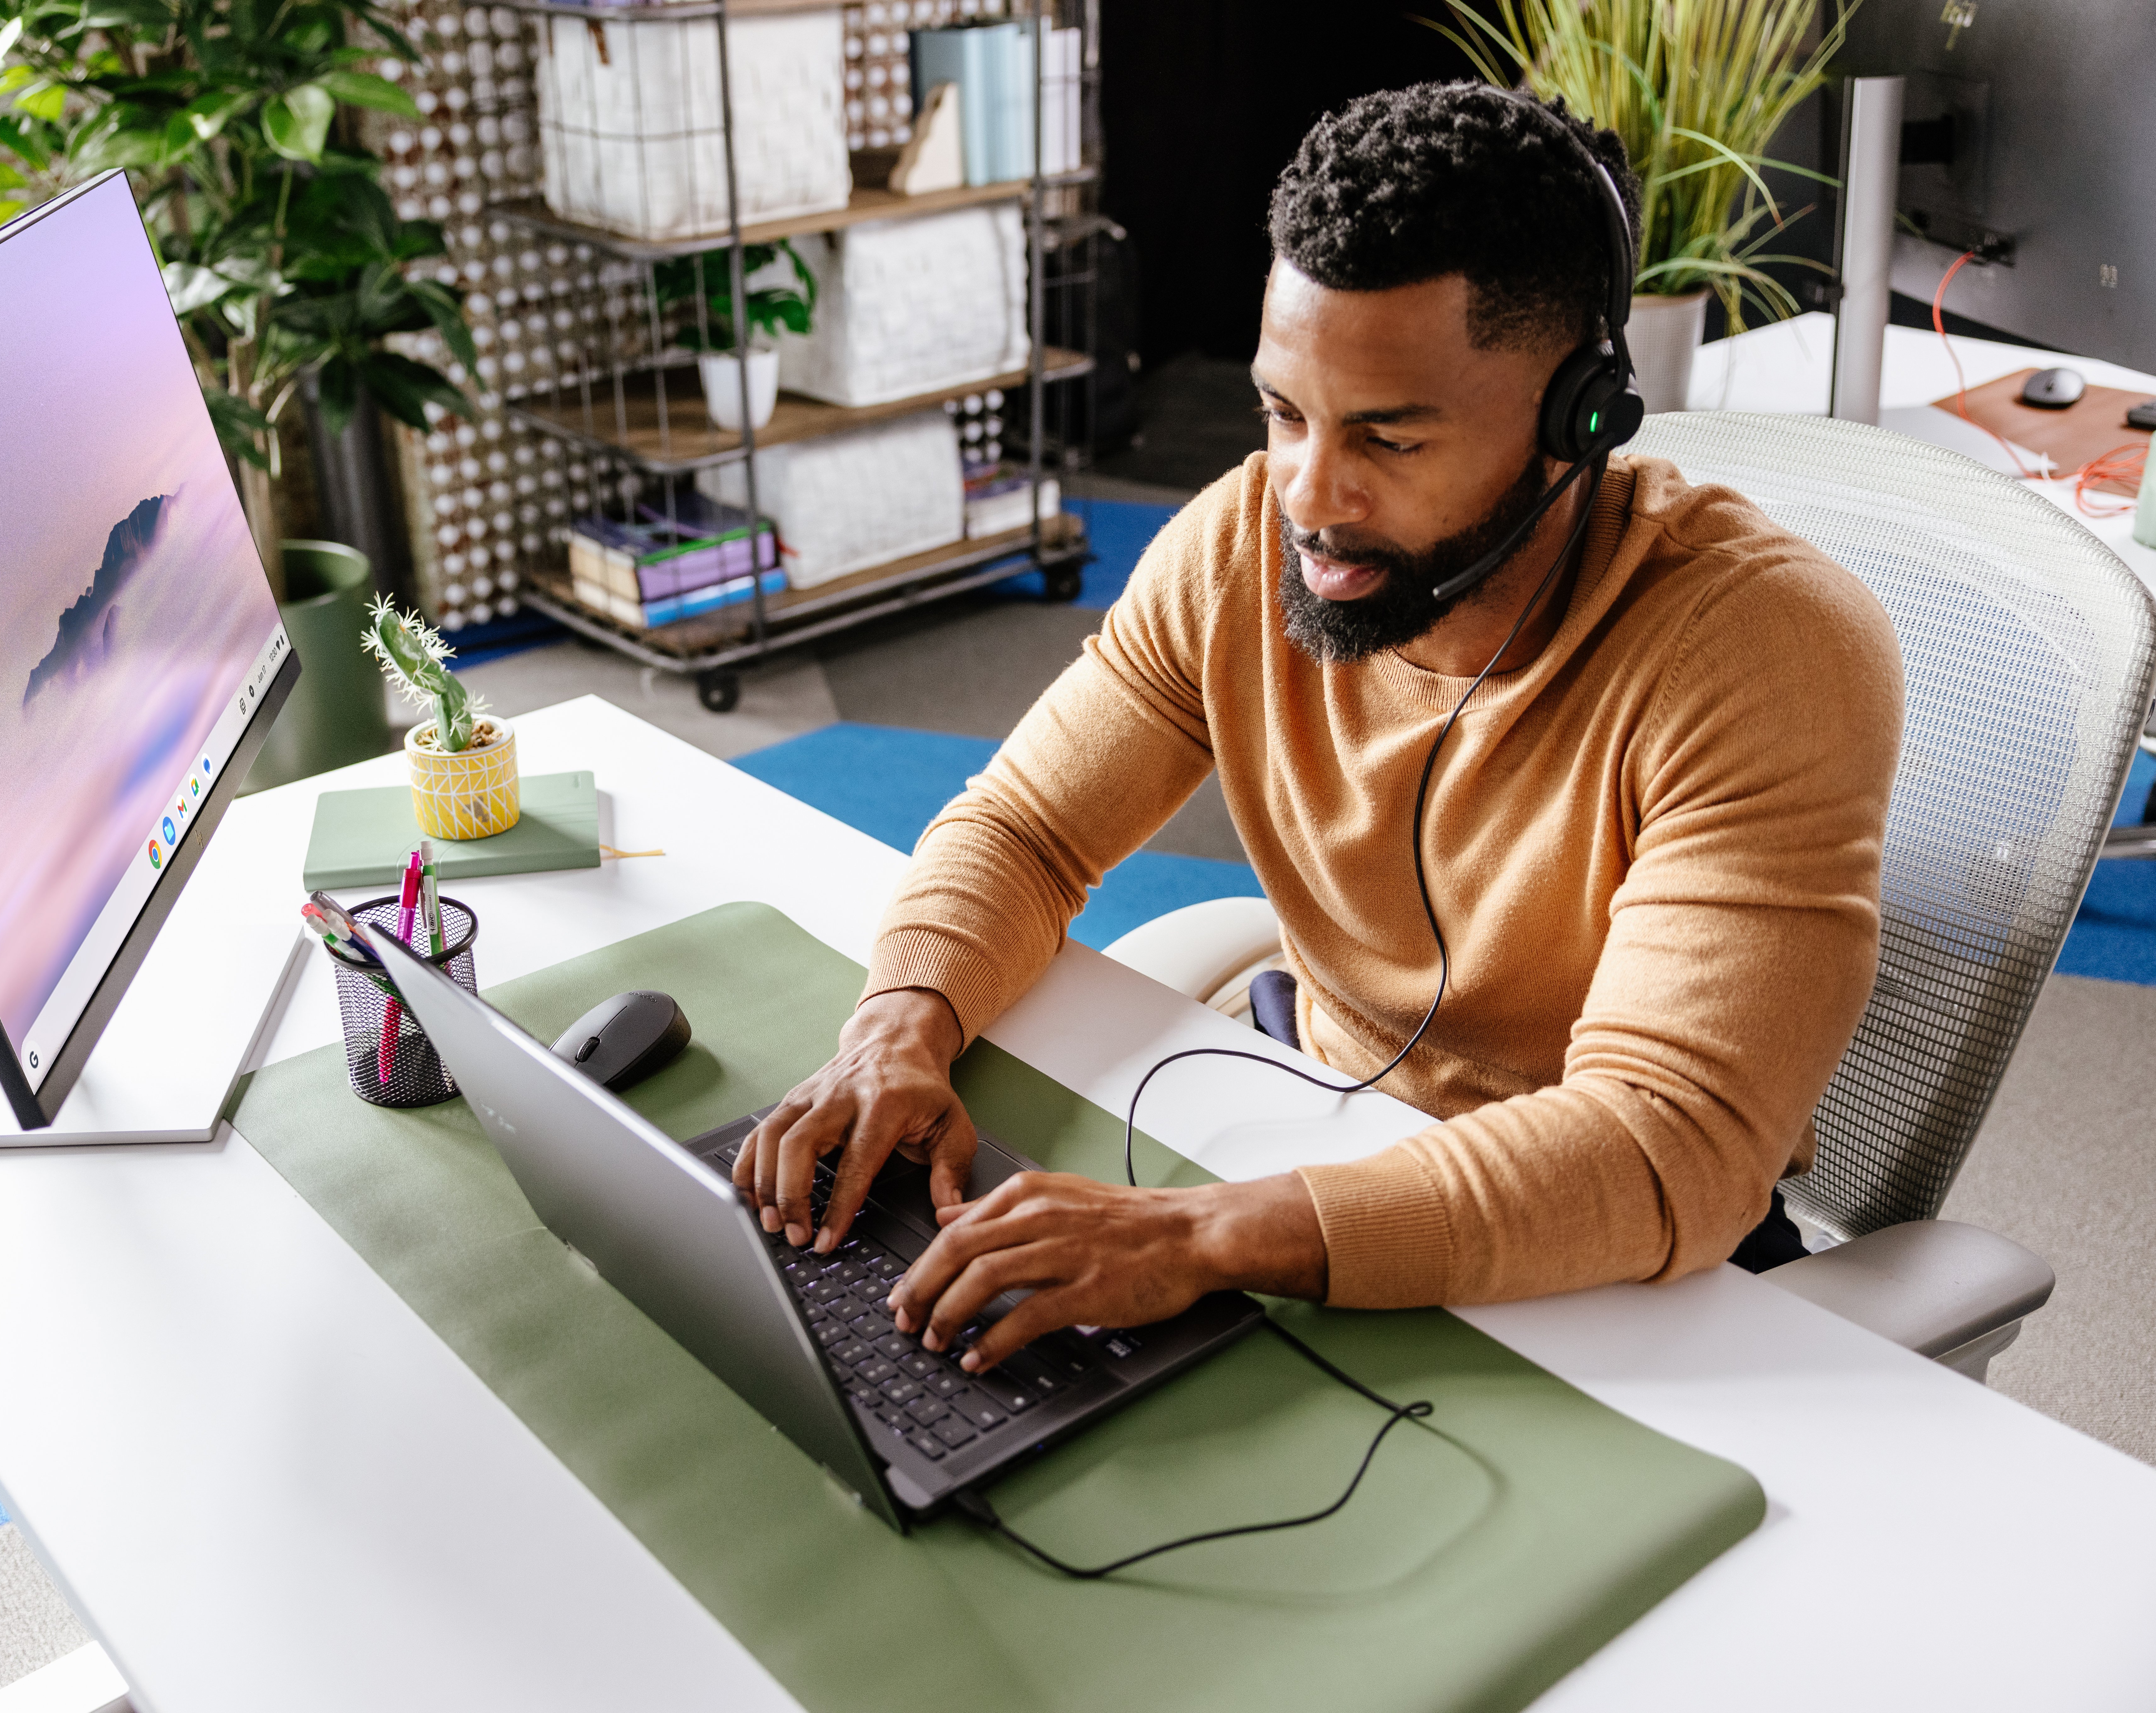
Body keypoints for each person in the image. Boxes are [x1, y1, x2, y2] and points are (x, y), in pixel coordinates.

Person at [732, 81, 1904, 1378]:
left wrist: (1207, 1236)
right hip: (1296, 1121)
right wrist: (900, 1017)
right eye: (1282, 414)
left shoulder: (1763, 651)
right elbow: (1022, 825)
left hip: (1603, 1268)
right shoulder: (1241, 545)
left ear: (1580, 419)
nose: (1304, 495)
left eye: (1385, 439)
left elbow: (1658, 1142)